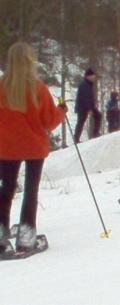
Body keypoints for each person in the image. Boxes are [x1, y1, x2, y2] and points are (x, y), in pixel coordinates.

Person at [0, 42, 66, 253]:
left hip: (7, 147)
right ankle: (27, 235)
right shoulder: (38, 89)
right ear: (30, 61)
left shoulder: (2, 86)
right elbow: (49, 121)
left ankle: (1, 233)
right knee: (31, 190)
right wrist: (62, 110)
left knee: (6, 189)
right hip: (33, 147)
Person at [74, 68, 102, 143]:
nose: (94, 77)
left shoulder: (88, 84)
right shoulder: (84, 85)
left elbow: (89, 97)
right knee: (81, 121)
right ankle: (76, 139)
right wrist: (89, 109)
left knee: (97, 116)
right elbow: (85, 98)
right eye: (92, 76)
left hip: (87, 106)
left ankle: (95, 133)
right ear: (88, 76)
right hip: (83, 107)